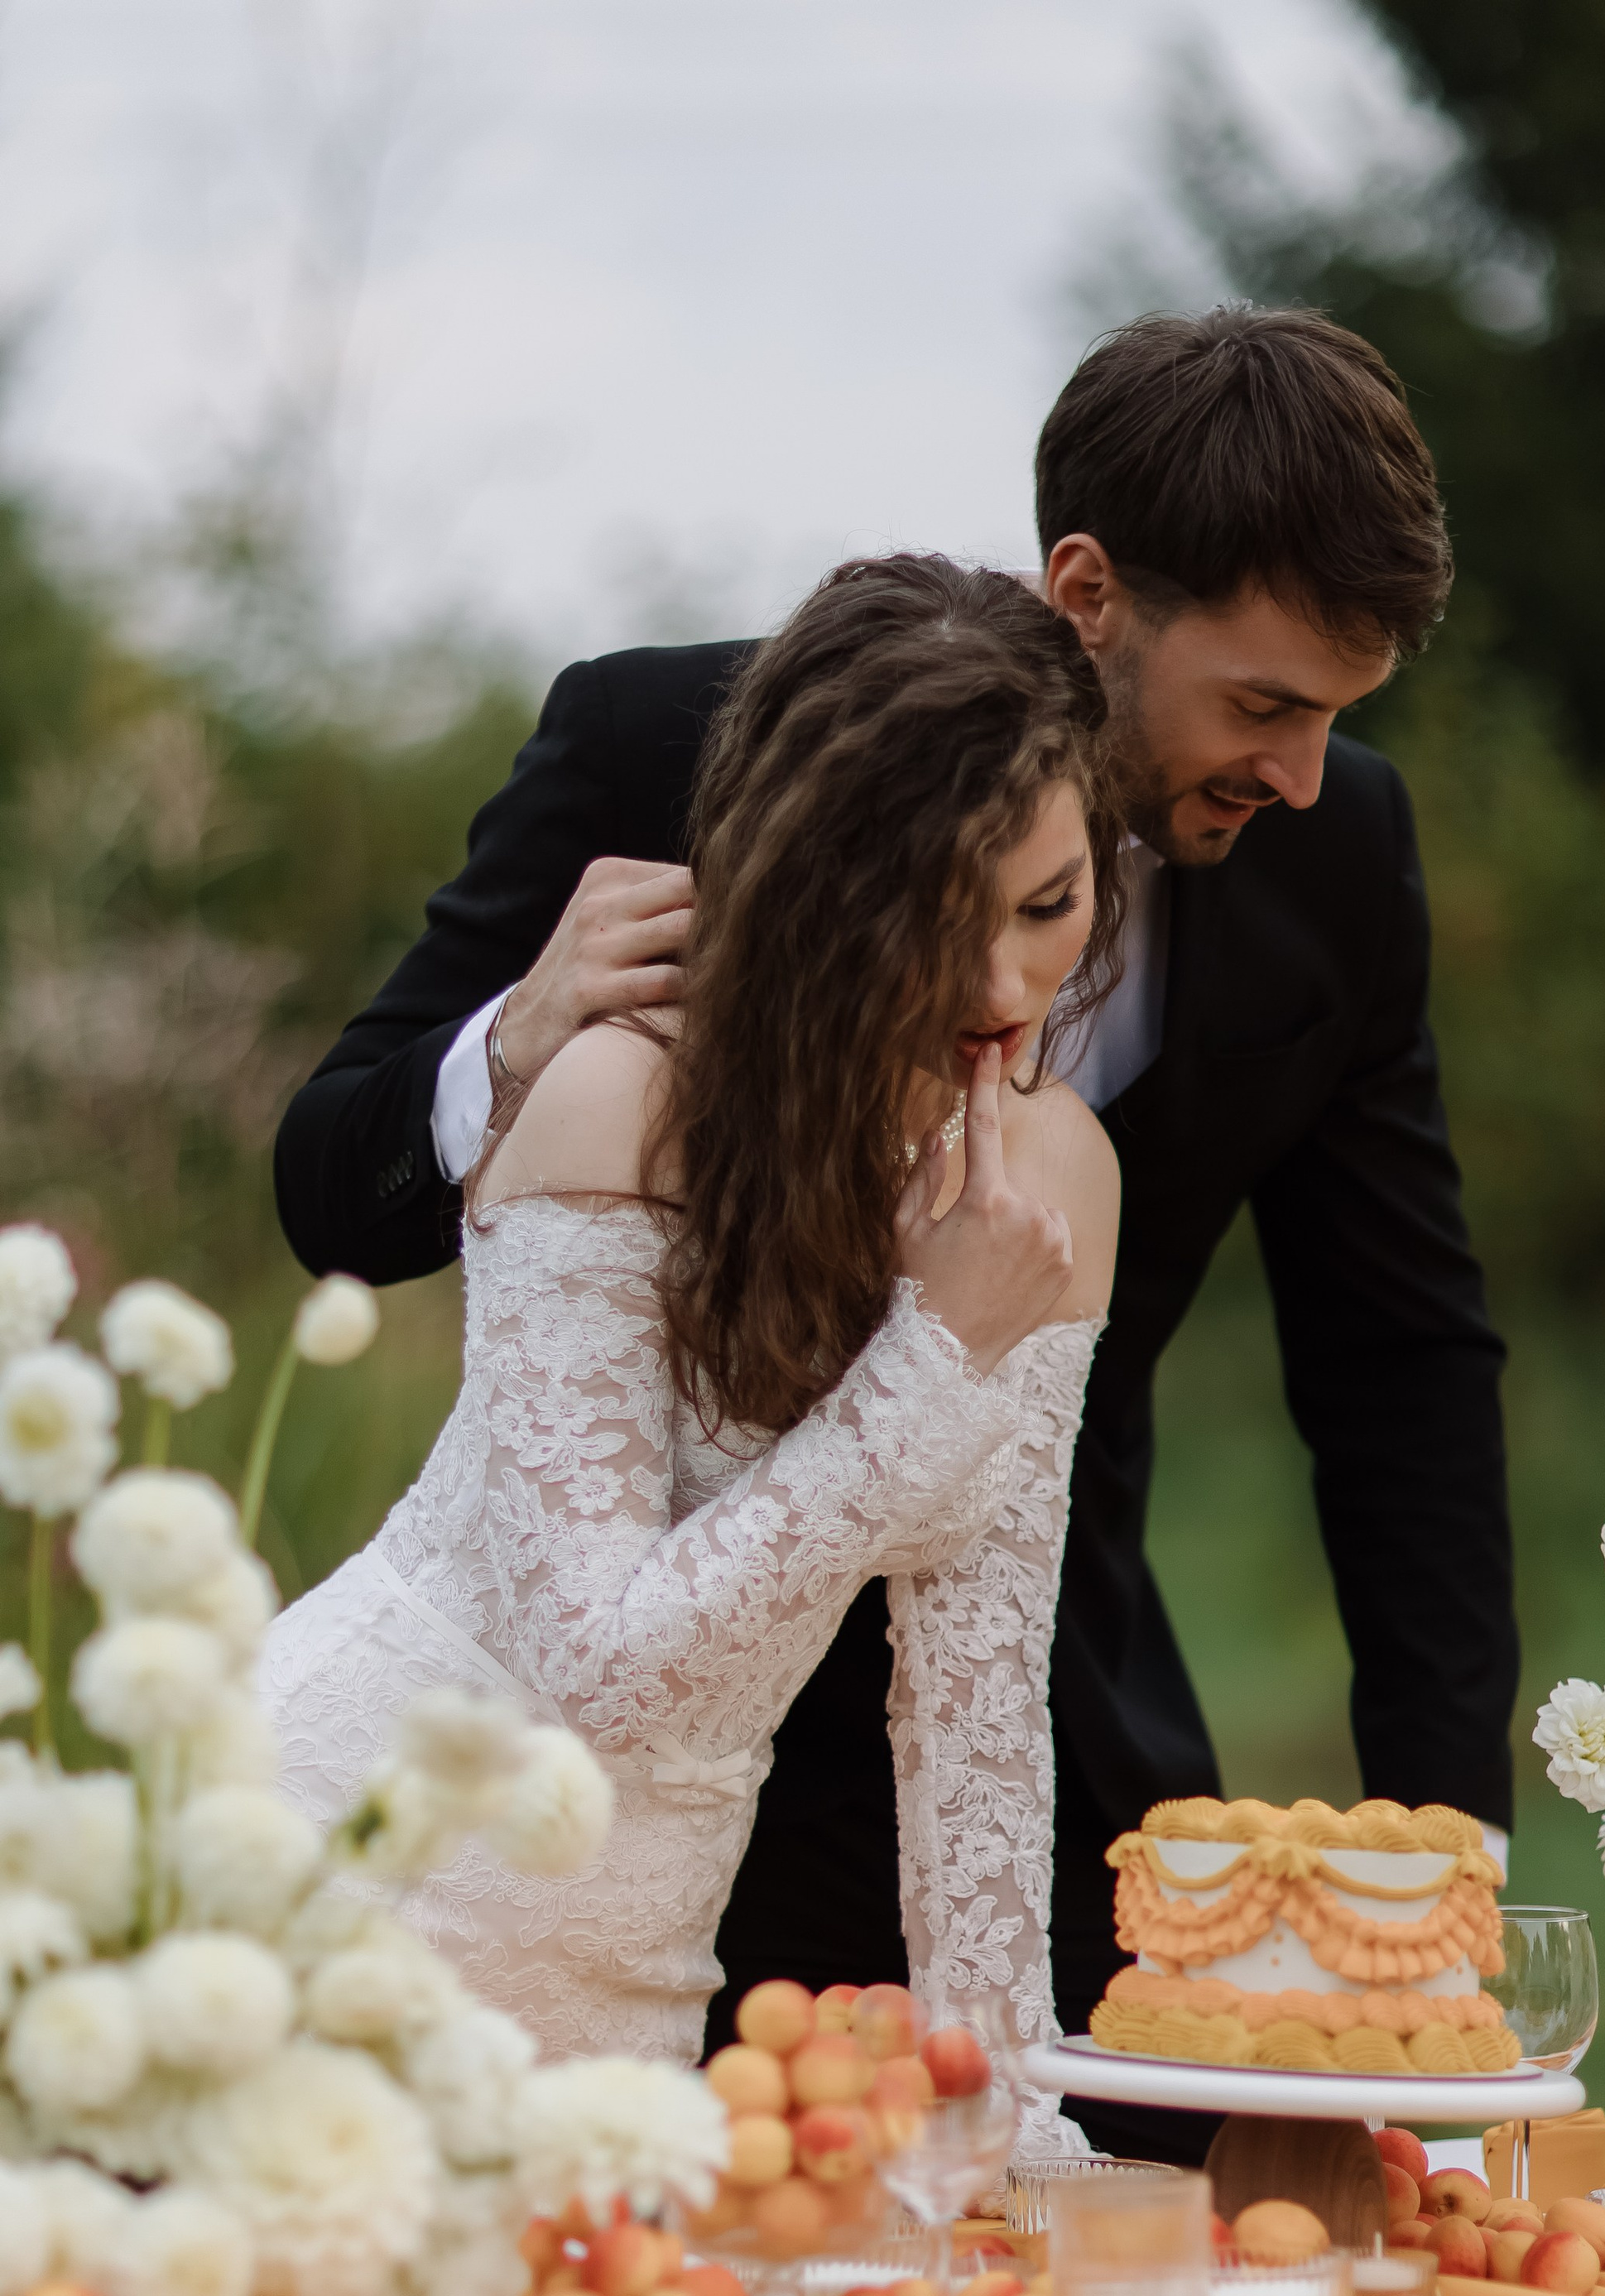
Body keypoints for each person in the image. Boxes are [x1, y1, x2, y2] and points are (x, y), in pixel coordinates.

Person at [273, 305, 1519, 2164]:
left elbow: (1394, 1356)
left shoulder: (1334, 859)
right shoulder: (657, 749)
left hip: (1017, 1749)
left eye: (1339, 715)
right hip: (546, 1794)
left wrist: (1440, 1873)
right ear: (1087, 591)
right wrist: (514, 1049)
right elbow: (326, 1197)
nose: (1304, 774)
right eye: (1261, 705)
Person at [259, 560, 1122, 2107]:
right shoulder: (621, 1097)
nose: (1006, 989)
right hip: (333, 1877)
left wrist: (1012, 2120)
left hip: (635, 1976)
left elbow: (979, 1719)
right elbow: (590, 1679)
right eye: (940, 925)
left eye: (1050, 906)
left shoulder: (1050, 1178)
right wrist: (930, 1357)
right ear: (821, 901)